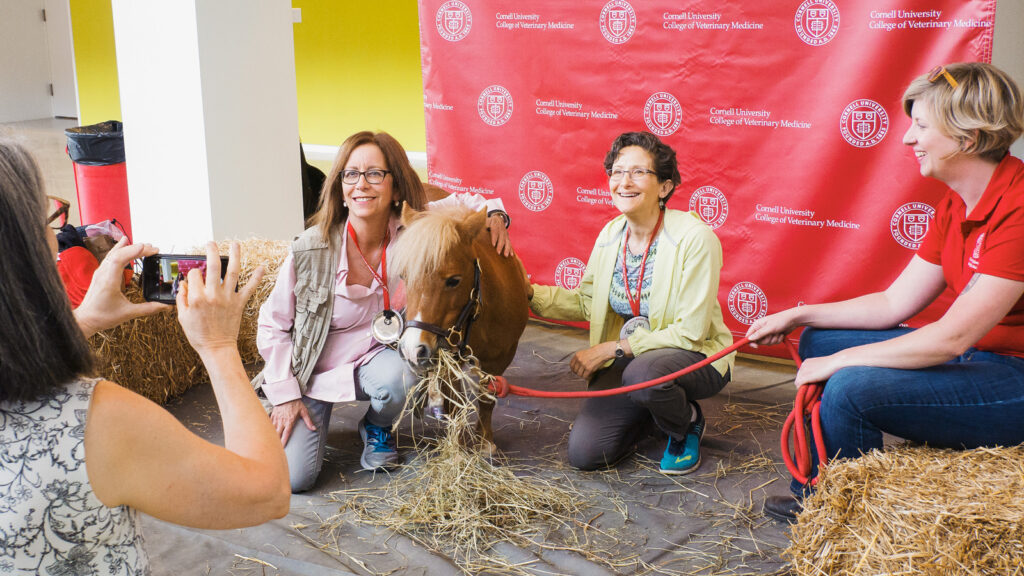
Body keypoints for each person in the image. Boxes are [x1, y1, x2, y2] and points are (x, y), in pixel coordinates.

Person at [746, 62, 1024, 523]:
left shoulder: (1018, 210)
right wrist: (799, 316)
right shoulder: (955, 203)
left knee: (849, 385)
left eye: (921, 126)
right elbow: (894, 304)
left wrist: (838, 365)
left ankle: (846, 519)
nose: (907, 139)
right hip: (979, 356)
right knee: (819, 338)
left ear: (967, 138)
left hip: (1014, 378)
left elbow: (950, 339)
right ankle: (820, 491)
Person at [0, 140, 290, 574]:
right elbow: (266, 492)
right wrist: (219, 347)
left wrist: (84, 320)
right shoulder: (97, 421)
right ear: (21, 254)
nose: (58, 233)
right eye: (50, 219)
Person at [254, 130, 511, 492]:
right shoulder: (311, 250)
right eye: (351, 174)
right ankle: (292, 411)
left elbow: (470, 203)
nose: (362, 185)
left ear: (395, 186)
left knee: (407, 373)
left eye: (375, 173)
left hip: (376, 360)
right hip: (310, 370)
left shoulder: (413, 229)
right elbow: (272, 325)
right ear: (340, 186)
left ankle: (377, 424)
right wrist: (286, 395)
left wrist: (497, 213)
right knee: (296, 480)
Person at [527, 131, 734, 474]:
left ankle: (686, 422)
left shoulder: (694, 238)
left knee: (646, 373)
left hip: (695, 357)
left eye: (639, 172)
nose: (624, 182)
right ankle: (651, 406)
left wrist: (610, 349)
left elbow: (690, 333)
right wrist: (531, 295)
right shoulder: (611, 233)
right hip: (633, 358)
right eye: (618, 172)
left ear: (664, 187)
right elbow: (585, 303)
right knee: (587, 454)